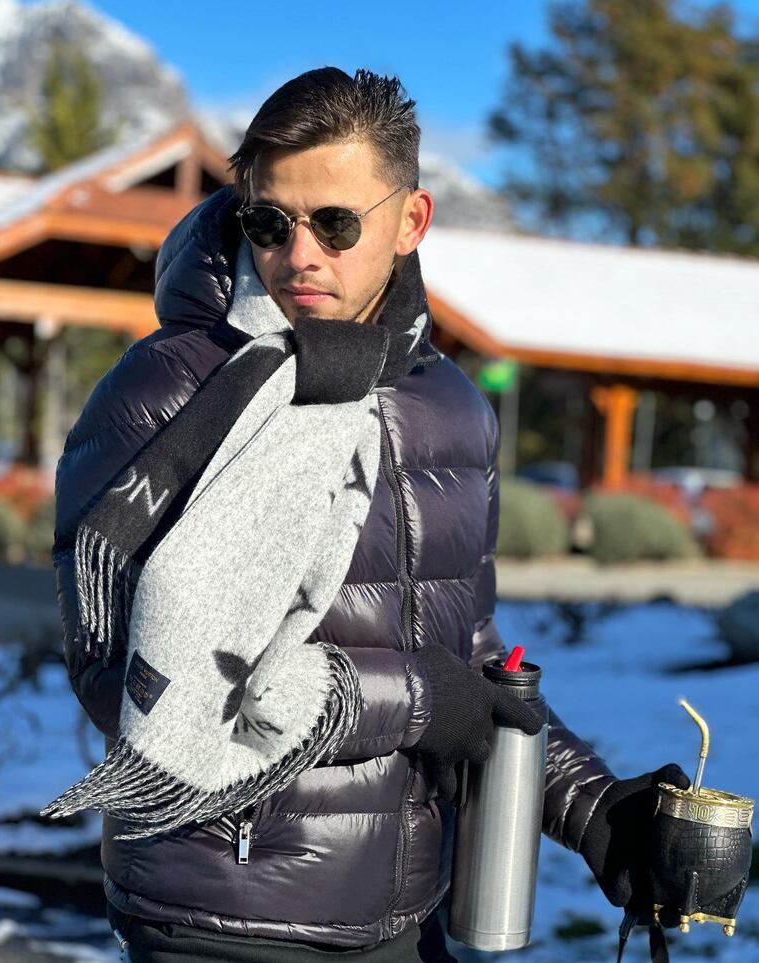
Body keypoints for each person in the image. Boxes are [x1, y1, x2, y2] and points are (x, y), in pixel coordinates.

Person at [52, 67, 689, 962]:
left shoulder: (453, 408)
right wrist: (418, 700)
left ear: (410, 221)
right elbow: (119, 673)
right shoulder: (166, 390)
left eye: (336, 223)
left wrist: (599, 813)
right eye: (269, 222)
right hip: (223, 913)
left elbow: (469, 663)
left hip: (404, 913)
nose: (299, 254)